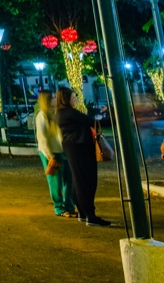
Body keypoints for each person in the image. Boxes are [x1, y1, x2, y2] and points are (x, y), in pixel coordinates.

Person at [56, 86, 111, 226]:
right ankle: (90, 215)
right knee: (86, 180)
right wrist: (110, 117)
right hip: (80, 148)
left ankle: (83, 212)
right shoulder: (69, 112)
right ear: (66, 99)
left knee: (78, 180)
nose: (75, 99)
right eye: (73, 96)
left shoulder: (62, 113)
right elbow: (91, 121)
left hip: (73, 147)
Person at [34, 90, 76, 218]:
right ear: (46, 101)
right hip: (51, 153)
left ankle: (70, 206)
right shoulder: (42, 116)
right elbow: (42, 138)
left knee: (70, 180)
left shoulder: (56, 113)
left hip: (62, 151)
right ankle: (59, 207)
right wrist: (50, 156)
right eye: (52, 98)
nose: (54, 100)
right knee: (55, 182)